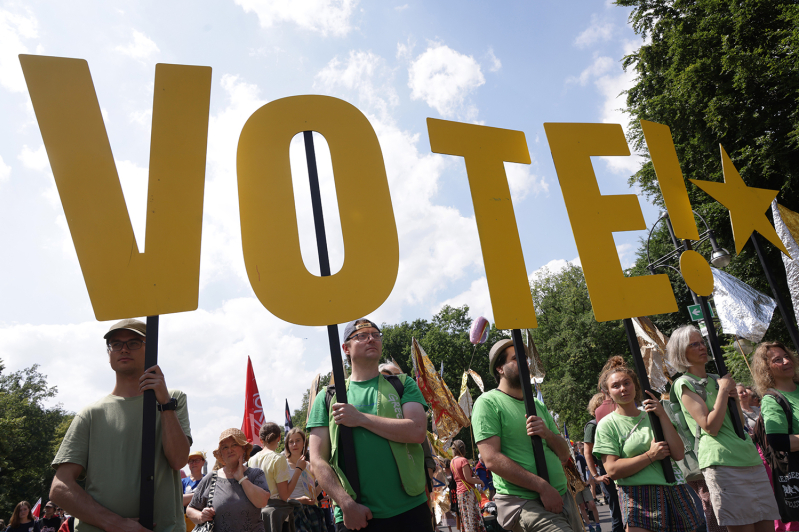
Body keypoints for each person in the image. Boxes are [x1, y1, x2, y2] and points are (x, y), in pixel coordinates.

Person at [50, 318, 192, 532]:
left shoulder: (172, 399)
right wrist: (115, 524)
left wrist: (164, 404)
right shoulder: (90, 414)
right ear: (109, 354)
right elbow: (60, 488)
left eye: (134, 342)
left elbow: (178, 460)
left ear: (150, 350)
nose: (124, 349)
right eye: (116, 344)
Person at [308, 318, 431, 532]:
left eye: (375, 334)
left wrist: (360, 419)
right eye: (362, 336)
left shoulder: (403, 384)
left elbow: (417, 432)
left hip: (410, 508)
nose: (371, 339)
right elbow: (317, 460)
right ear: (345, 348)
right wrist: (346, 504)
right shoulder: (327, 398)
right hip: (355, 515)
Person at [666, 325, 778, 532]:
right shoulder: (684, 384)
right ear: (682, 351)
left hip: (748, 457)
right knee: (743, 526)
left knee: (766, 525)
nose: (702, 347)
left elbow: (736, 422)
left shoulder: (716, 379)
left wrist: (730, 395)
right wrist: (724, 392)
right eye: (694, 344)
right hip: (722, 462)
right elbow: (710, 427)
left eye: (702, 342)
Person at [472, 338, 580, 532]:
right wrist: (542, 487)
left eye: (526, 359)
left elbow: (564, 454)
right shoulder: (488, 403)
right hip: (524, 502)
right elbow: (491, 459)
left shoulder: (536, 405)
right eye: (516, 358)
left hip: (562, 497)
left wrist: (547, 434)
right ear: (500, 368)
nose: (525, 363)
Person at [593, 356, 702, 532]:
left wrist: (662, 415)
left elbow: (678, 453)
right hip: (636, 496)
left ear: (635, 385)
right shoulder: (607, 424)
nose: (623, 389)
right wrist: (650, 456)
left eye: (626, 383)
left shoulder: (653, 414)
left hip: (674, 489)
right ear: (608, 392)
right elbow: (612, 470)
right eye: (615, 386)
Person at [752, 340, 799, 531]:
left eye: (787, 356)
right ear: (766, 369)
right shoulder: (772, 400)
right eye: (778, 360)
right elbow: (777, 441)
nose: (786, 361)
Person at [187, 428, 270, 532]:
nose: (229, 450)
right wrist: (201, 516)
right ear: (221, 453)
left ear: (243, 448)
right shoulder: (211, 477)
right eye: (225, 447)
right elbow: (190, 509)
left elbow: (262, 502)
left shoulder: (256, 474)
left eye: (234, 445)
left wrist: (242, 479)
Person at [584, 391, 625, 532]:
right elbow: (587, 453)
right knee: (617, 513)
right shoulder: (593, 425)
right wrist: (596, 476)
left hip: (623, 468)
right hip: (607, 473)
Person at [285, 427, 326, 532]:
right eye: (291, 442)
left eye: (298, 440)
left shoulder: (309, 466)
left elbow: (313, 495)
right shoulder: (282, 465)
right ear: (287, 445)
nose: (294, 444)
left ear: (304, 443)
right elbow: (279, 496)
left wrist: (323, 483)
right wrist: (299, 500)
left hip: (311, 513)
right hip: (292, 514)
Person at [450, 440, 487, 532]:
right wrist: (480, 481)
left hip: (460, 493)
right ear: (463, 449)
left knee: (466, 517)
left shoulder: (452, 461)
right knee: (472, 517)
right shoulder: (463, 460)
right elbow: (468, 479)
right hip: (468, 492)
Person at [572, 445, 601, 532]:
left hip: (584, 484)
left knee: (592, 504)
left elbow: (590, 466)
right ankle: (589, 526)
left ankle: (598, 524)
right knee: (581, 506)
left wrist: (588, 480)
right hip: (575, 486)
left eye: (573, 449)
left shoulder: (580, 457)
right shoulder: (566, 461)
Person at [182, 451, 206, 532]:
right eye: (191, 461)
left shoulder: (208, 480)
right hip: (186, 522)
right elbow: (179, 501)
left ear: (203, 462)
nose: (194, 463)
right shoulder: (182, 482)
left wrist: (187, 498)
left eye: (197, 460)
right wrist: (200, 494)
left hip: (203, 520)